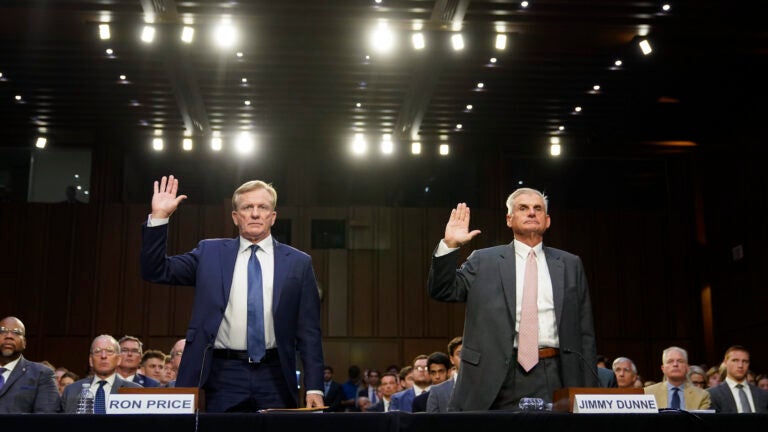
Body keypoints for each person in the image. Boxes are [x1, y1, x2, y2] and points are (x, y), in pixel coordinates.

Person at [140, 175, 324, 412]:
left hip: (276, 374)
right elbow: (155, 270)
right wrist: (160, 218)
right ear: (236, 217)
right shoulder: (210, 253)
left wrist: (314, 387)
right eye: (248, 207)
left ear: (273, 216)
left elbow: (309, 331)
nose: (255, 213)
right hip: (223, 374)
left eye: (263, 207)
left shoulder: (298, 262)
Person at [428, 189, 598, 411]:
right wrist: (450, 245)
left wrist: (589, 390)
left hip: (556, 371)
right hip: (495, 373)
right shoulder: (483, 260)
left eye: (538, 209)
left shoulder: (570, 264)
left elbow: (585, 331)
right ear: (509, 219)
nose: (531, 213)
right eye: (523, 208)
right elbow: (442, 290)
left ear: (547, 221)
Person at [60, 335, 142, 413]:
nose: (103, 356)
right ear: (91, 361)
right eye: (97, 351)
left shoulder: (134, 391)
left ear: (118, 359)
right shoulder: (71, 390)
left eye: (109, 351)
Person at [0, 316, 61, 413]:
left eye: (16, 332)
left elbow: (47, 419)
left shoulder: (42, 374)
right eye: (2, 331)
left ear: (24, 343)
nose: (9, 336)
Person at [643, 347, 710, 410]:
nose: (675, 364)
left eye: (680, 361)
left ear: (687, 368)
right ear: (663, 369)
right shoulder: (648, 393)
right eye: (670, 361)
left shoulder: (702, 396)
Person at [707, 345, 768, 413]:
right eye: (735, 360)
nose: (740, 365)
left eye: (745, 361)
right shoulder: (711, 395)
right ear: (725, 362)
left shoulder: (763, 395)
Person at [427, 337, 462, 413]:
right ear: (452, 359)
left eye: (467, 353)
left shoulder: (482, 387)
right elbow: (430, 423)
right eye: (459, 354)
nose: (464, 357)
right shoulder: (437, 391)